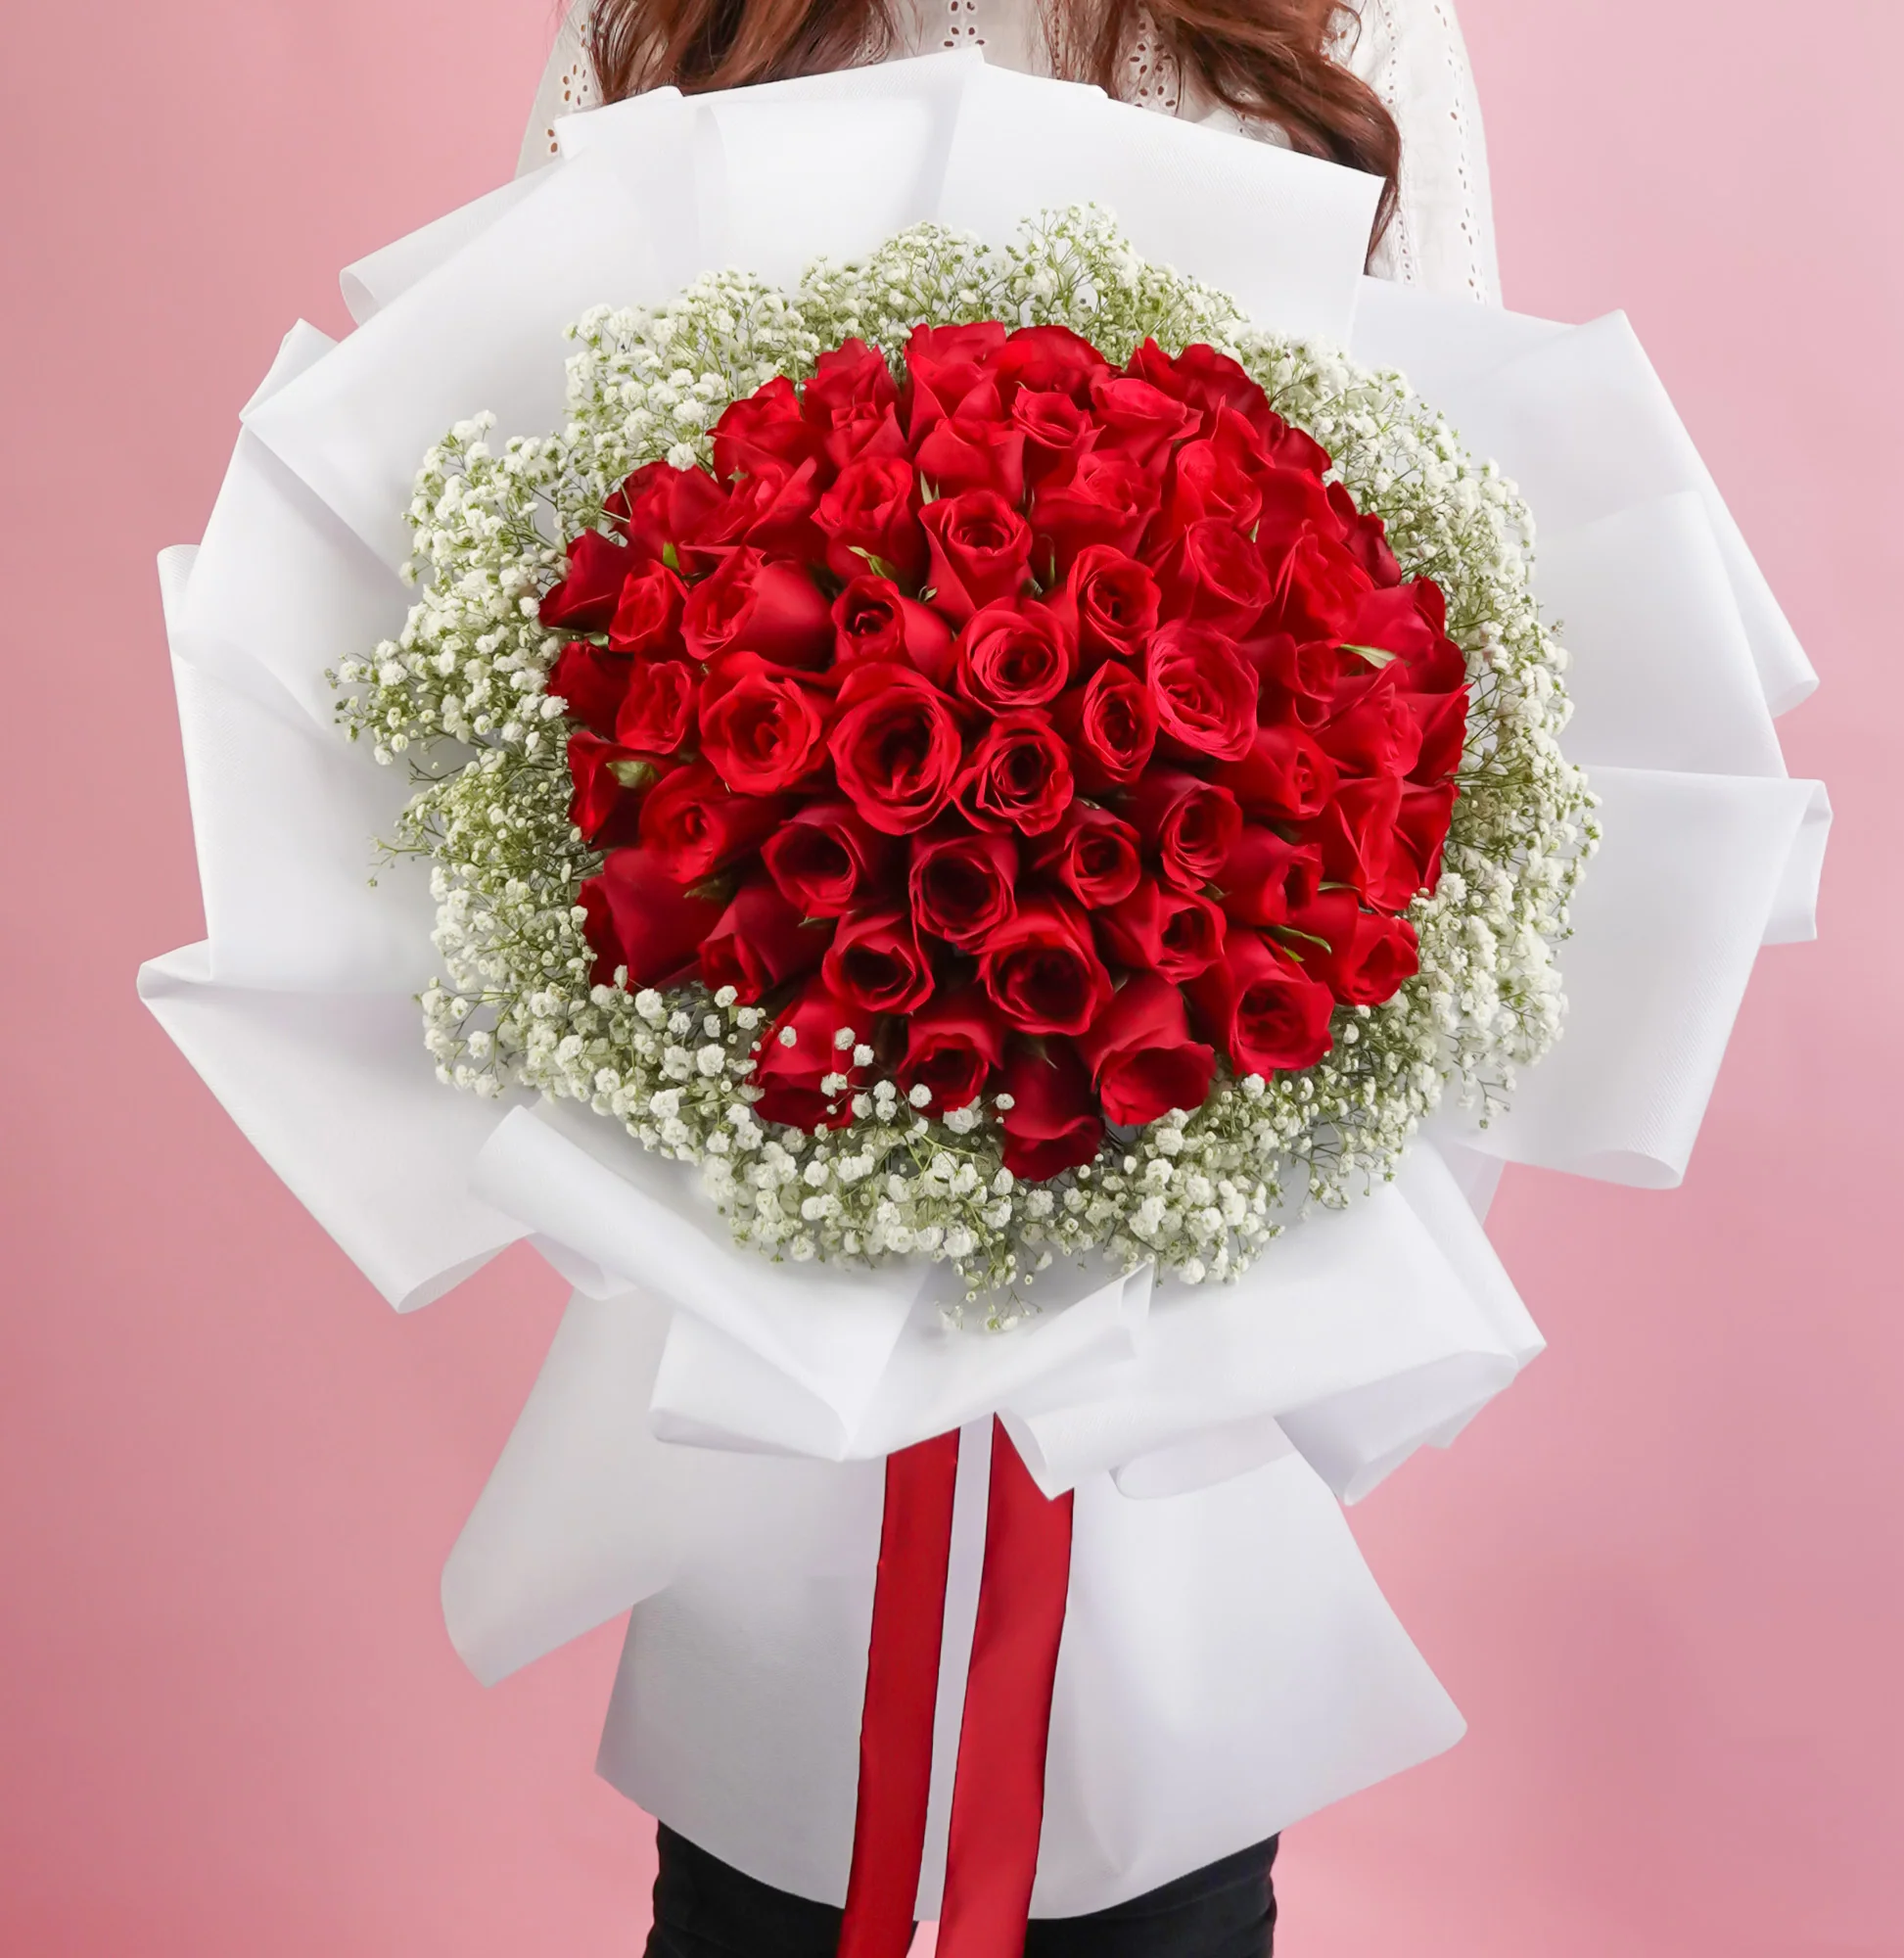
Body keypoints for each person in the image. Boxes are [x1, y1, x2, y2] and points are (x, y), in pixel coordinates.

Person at [509, 5, 1503, 1952]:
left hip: (1180, 1109)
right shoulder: (675, 14)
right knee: (775, 1809)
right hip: (790, 1107)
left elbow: (1452, 567)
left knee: (1150, 1818)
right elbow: (543, 513)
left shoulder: (1356, 18)